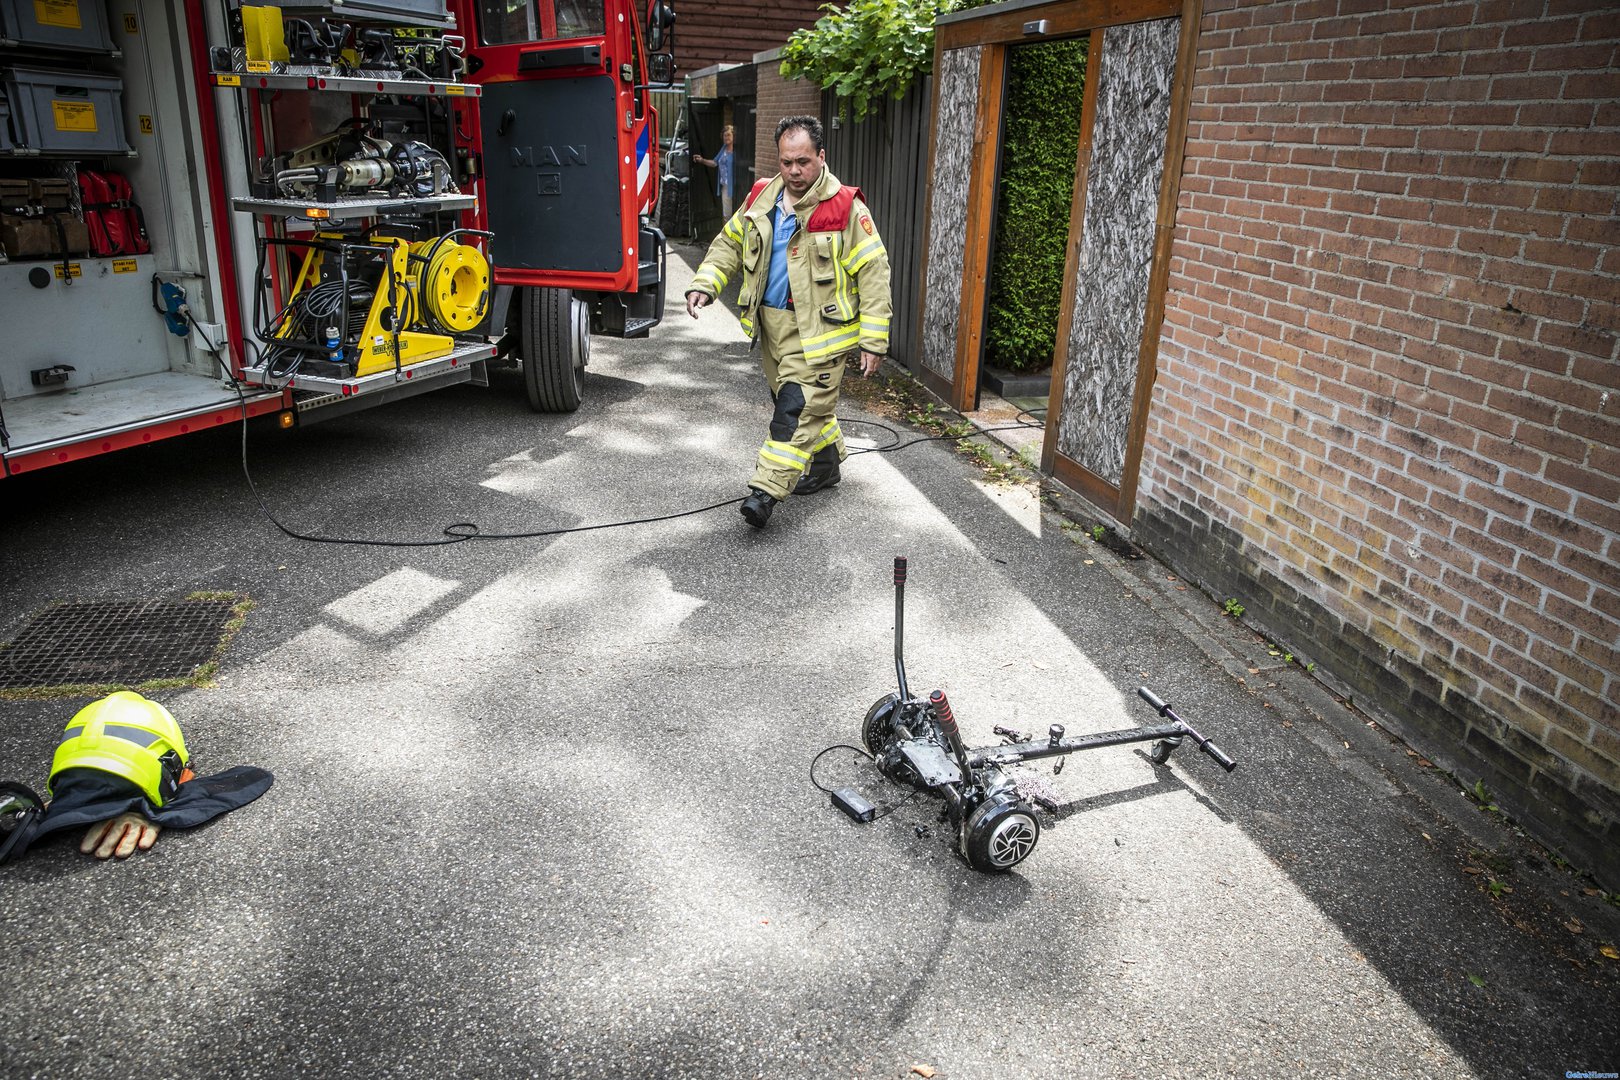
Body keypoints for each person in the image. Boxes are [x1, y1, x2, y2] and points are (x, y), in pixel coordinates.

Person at [685, 115, 892, 529]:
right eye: (786, 162)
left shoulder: (845, 208)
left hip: (822, 335)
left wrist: (873, 340)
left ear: (821, 156)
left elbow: (874, 270)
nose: (795, 171)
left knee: (793, 413)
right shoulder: (762, 196)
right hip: (772, 328)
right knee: (804, 405)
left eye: (803, 161)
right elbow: (730, 241)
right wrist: (706, 282)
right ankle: (827, 462)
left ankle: (764, 492)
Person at [691, 125, 737, 219]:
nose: (726, 137)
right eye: (724, 135)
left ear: (733, 136)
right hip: (725, 187)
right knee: (727, 214)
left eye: (728, 135)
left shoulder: (737, 151)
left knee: (736, 215)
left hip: (736, 187)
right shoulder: (724, 148)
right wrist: (702, 160)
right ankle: (728, 233)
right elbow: (715, 163)